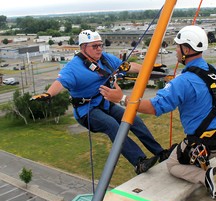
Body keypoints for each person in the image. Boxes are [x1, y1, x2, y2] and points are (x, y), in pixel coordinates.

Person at [99, 25, 216, 199]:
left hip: (206, 142)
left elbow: (154, 107)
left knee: (173, 164)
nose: (175, 50)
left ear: (186, 49)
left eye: (177, 46)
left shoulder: (182, 81)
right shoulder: (213, 71)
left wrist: (121, 99)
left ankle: (205, 176)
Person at [31, 30, 170, 175]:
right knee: (112, 125)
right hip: (87, 111)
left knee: (134, 119)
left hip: (104, 104)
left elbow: (128, 67)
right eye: (95, 46)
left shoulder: (105, 59)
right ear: (83, 47)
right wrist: (48, 94)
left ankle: (160, 153)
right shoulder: (73, 67)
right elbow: (60, 82)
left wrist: (149, 68)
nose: (99, 49)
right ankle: (139, 162)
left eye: (100, 45)